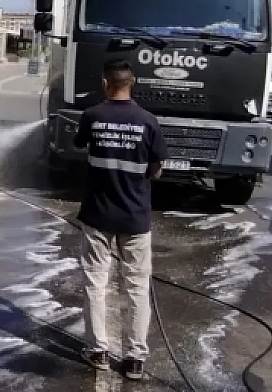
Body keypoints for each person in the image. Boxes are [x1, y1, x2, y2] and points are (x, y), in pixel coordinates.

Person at [72, 58, 168, 381]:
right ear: (132, 83)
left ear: (104, 83)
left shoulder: (93, 117)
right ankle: (134, 359)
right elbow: (156, 169)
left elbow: (80, 146)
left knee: (95, 283)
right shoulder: (149, 121)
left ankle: (97, 350)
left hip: (98, 215)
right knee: (137, 287)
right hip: (136, 218)